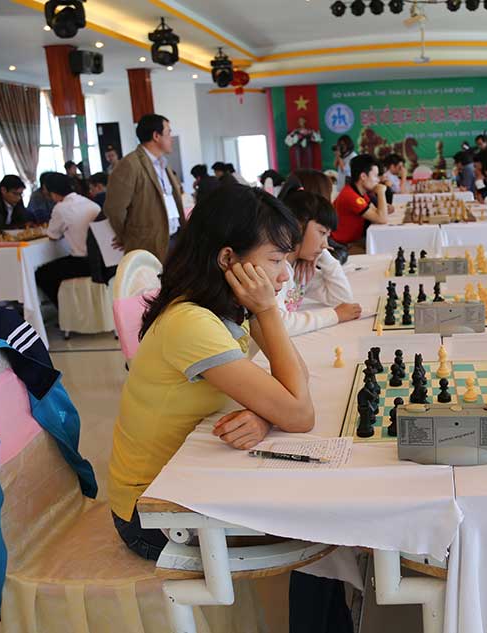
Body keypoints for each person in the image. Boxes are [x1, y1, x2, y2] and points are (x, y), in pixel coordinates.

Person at [108, 184, 351, 630]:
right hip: (154, 516)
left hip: (186, 485)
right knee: (322, 523)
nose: (284, 276)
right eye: (275, 260)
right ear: (227, 259)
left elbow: (295, 380)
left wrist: (264, 413)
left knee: (322, 511)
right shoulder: (191, 323)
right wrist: (270, 314)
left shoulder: (221, 308)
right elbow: (300, 414)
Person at [276, 189, 361, 334]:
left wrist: (324, 256)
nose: (325, 244)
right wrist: (335, 315)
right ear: (298, 225)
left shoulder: (300, 267)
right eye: (322, 233)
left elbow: (342, 299)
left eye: (327, 236)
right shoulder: (277, 268)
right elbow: (279, 324)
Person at [102, 113, 185, 260]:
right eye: (168, 133)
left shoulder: (163, 164)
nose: (171, 138)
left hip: (174, 238)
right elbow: (114, 209)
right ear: (156, 136)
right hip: (149, 244)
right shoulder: (129, 165)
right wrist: (127, 236)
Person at [34, 174, 101, 306]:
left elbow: (53, 236)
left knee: (42, 274)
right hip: (100, 260)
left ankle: (64, 308)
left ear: (53, 193)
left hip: (83, 262)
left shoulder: (61, 208)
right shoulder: (89, 202)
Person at [331, 154, 389, 246]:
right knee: (383, 245)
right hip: (343, 245)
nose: (378, 180)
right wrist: (381, 192)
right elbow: (382, 219)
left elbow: (377, 212)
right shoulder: (351, 196)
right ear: (363, 176)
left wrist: (383, 208)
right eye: (375, 176)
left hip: (354, 240)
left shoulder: (359, 192)